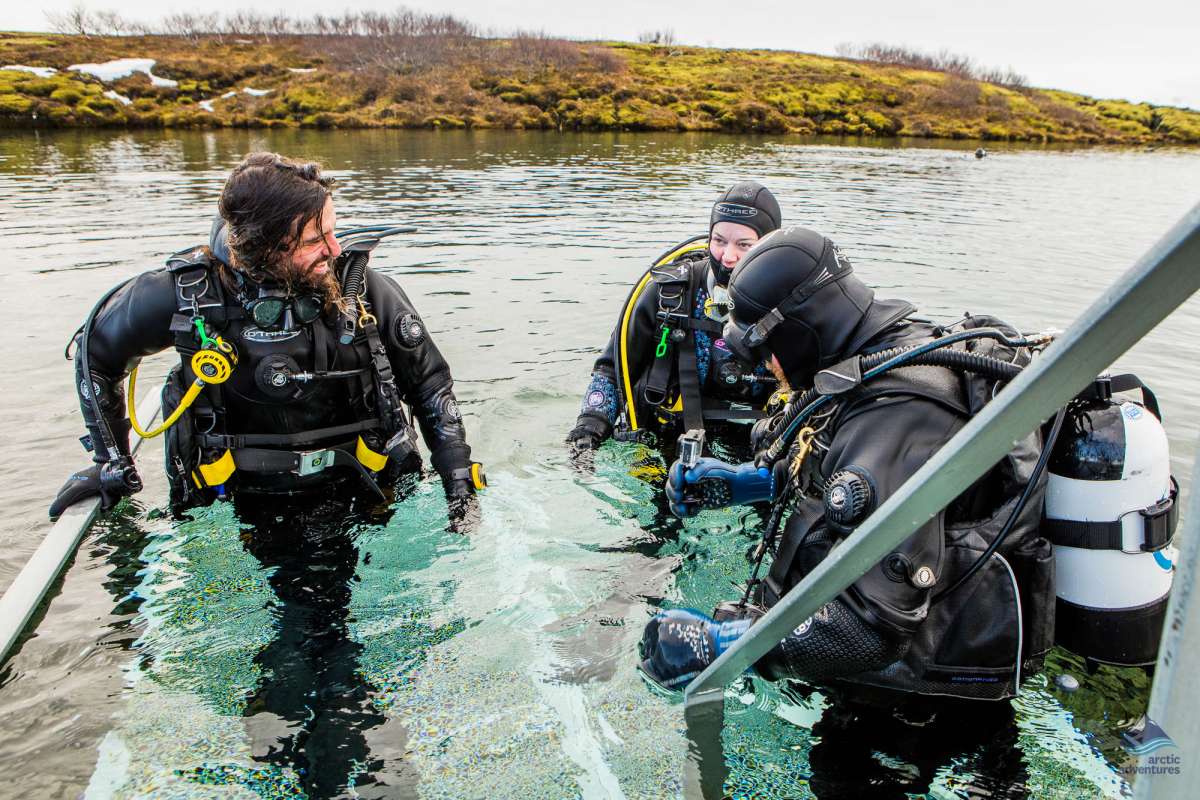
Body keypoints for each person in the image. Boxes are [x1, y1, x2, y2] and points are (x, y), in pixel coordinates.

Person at [640, 225, 1057, 703]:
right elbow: (845, 475)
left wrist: (725, 645)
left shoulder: (899, 411)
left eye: (764, 348)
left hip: (917, 709)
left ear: (800, 329)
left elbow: (872, 631)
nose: (763, 365)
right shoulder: (880, 352)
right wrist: (752, 483)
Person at [49, 152, 483, 528]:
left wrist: (460, 486)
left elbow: (429, 385)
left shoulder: (361, 289)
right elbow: (96, 354)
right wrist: (112, 462)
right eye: (315, 240)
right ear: (264, 246)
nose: (335, 250)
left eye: (332, 231)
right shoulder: (188, 296)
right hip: (236, 503)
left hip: (367, 487)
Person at [566, 182, 783, 455]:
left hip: (762, 446)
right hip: (668, 442)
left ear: (768, 246)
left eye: (744, 245)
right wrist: (589, 428)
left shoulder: (791, 304)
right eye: (719, 241)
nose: (728, 256)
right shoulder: (668, 293)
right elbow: (612, 370)